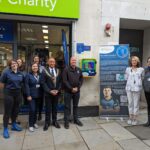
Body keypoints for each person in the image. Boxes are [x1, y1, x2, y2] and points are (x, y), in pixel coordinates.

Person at [0, 59, 24, 139]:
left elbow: (21, 83)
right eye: (12, 64)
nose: (14, 65)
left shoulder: (20, 73)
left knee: (16, 110)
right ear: (10, 65)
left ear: (18, 64)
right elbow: (2, 84)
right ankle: (5, 129)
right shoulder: (6, 72)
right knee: (7, 112)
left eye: (15, 63)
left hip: (17, 94)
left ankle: (14, 124)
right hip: (9, 94)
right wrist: (5, 94)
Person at [62, 56, 83, 129]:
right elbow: (65, 81)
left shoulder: (79, 70)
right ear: (70, 61)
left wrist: (78, 87)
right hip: (68, 92)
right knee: (67, 107)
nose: (73, 62)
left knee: (75, 106)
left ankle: (76, 119)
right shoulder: (66, 70)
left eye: (74, 60)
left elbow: (81, 80)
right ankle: (66, 121)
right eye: (72, 60)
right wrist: (71, 88)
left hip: (77, 91)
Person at [41, 57, 61, 131]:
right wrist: (50, 91)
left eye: (53, 62)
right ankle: (47, 122)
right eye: (50, 62)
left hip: (56, 93)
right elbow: (43, 83)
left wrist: (57, 90)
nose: (52, 63)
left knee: (55, 108)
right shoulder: (44, 71)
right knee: (48, 109)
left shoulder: (58, 71)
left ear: (55, 63)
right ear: (48, 63)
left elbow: (60, 82)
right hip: (48, 94)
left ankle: (55, 121)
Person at [125, 56, 144, 125]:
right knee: (130, 103)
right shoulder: (127, 69)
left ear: (137, 61)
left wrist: (138, 83)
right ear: (131, 62)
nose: (134, 62)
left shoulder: (141, 69)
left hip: (137, 89)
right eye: (132, 60)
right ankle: (130, 117)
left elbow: (142, 78)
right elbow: (126, 78)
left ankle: (135, 118)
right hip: (129, 89)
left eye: (135, 60)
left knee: (136, 104)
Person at [25, 63, 43, 132]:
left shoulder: (40, 75)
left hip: (39, 96)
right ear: (31, 67)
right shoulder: (28, 75)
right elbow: (26, 85)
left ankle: (34, 122)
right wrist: (28, 95)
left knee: (36, 110)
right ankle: (30, 125)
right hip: (31, 96)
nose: (35, 67)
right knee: (32, 110)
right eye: (33, 66)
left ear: (38, 68)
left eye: (36, 66)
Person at [33, 55, 45, 121]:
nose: (36, 60)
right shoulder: (32, 67)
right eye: (35, 59)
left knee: (40, 102)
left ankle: (40, 114)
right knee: (34, 103)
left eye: (37, 59)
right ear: (33, 60)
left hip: (41, 87)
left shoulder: (42, 67)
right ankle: (35, 114)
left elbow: (44, 75)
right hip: (34, 88)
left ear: (39, 60)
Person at [143, 57, 150, 127]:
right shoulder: (144, 70)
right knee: (149, 106)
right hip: (147, 91)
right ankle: (149, 121)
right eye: (149, 61)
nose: (149, 63)